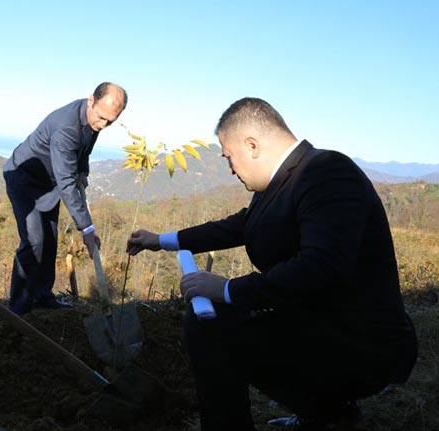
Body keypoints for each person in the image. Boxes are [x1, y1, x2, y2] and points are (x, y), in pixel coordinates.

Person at [127, 97, 417, 430]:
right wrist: (162, 240)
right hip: (323, 326)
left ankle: (317, 410)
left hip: (361, 343)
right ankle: (326, 411)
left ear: (252, 145)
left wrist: (226, 288)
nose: (231, 169)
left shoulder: (327, 172)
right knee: (214, 319)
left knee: (210, 328)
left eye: (229, 158)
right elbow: (243, 225)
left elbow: (323, 266)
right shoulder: (285, 181)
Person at [3, 82, 127, 315]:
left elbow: (85, 149)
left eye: (110, 121)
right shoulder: (66, 128)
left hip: (47, 184)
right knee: (34, 241)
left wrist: (84, 170)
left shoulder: (93, 120)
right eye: (101, 118)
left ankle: (42, 295)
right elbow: (66, 182)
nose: (103, 125)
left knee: (49, 239)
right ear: (91, 100)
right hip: (24, 180)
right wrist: (87, 228)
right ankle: (18, 307)